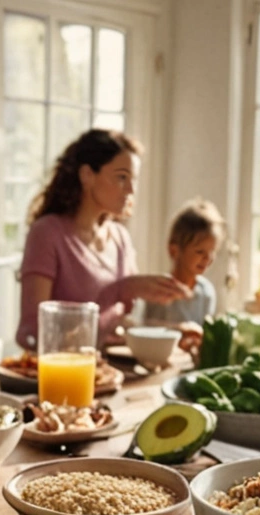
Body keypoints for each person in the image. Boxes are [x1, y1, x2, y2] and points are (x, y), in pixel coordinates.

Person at [15, 129, 190, 350]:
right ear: (87, 175)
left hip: (107, 373)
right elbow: (33, 333)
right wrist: (120, 290)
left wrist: (172, 332)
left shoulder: (120, 239)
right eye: (121, 177)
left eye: (133, 179)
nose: (131, 189)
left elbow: (114, 326)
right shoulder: (47, 234)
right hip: (61, 377)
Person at [144, 198, 223, 352]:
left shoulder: (207, 292)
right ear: (174, 251)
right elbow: (146, 329)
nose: (207, 258)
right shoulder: (159, 290)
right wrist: (178, 330)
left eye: (212, 252)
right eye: (200, 252)